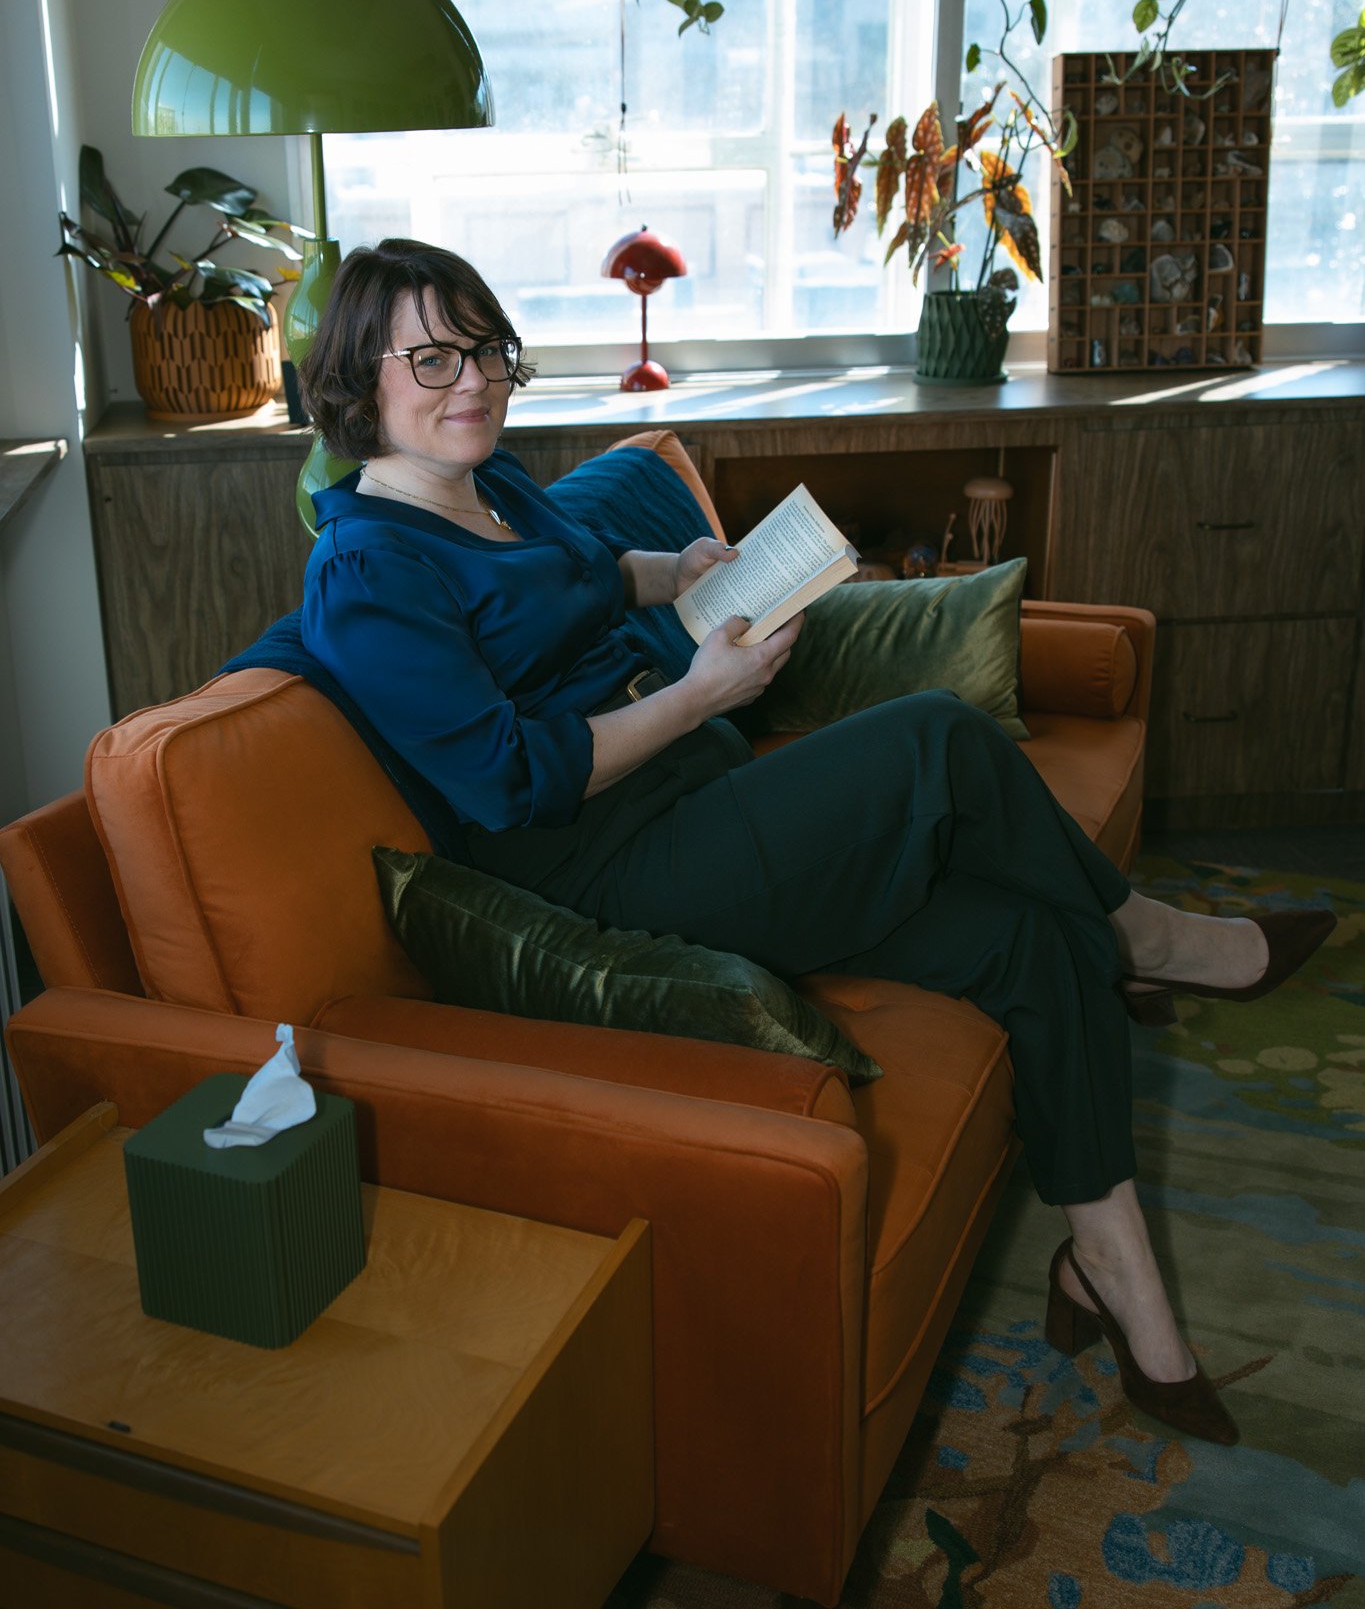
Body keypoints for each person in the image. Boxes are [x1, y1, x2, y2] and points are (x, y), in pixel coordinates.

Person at [297, 237, 1334, 1448]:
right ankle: (1151, 938)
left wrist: (677, 568)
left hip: (700, 801)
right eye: (433, 357)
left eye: (487, 349)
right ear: (358, 379)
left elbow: (588, 575)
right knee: (937, 738)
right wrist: (701, 691)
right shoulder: (364, 567)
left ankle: (1112, 1269)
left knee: (1029, 936)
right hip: (611, 869)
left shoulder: (492, 481)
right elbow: (514, 778)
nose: (473, 379)